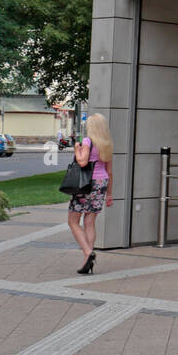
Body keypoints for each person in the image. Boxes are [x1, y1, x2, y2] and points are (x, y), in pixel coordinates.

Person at [67, 113, 113, 274]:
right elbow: (110, 172)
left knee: (73, 220)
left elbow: (82, 161)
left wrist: (76, 149)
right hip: (102, 184)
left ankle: (87, 252)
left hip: (86, 184)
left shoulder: (88, 142)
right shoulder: (107, 144)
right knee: (90, 221)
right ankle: (88, 260)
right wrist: (110, 194)